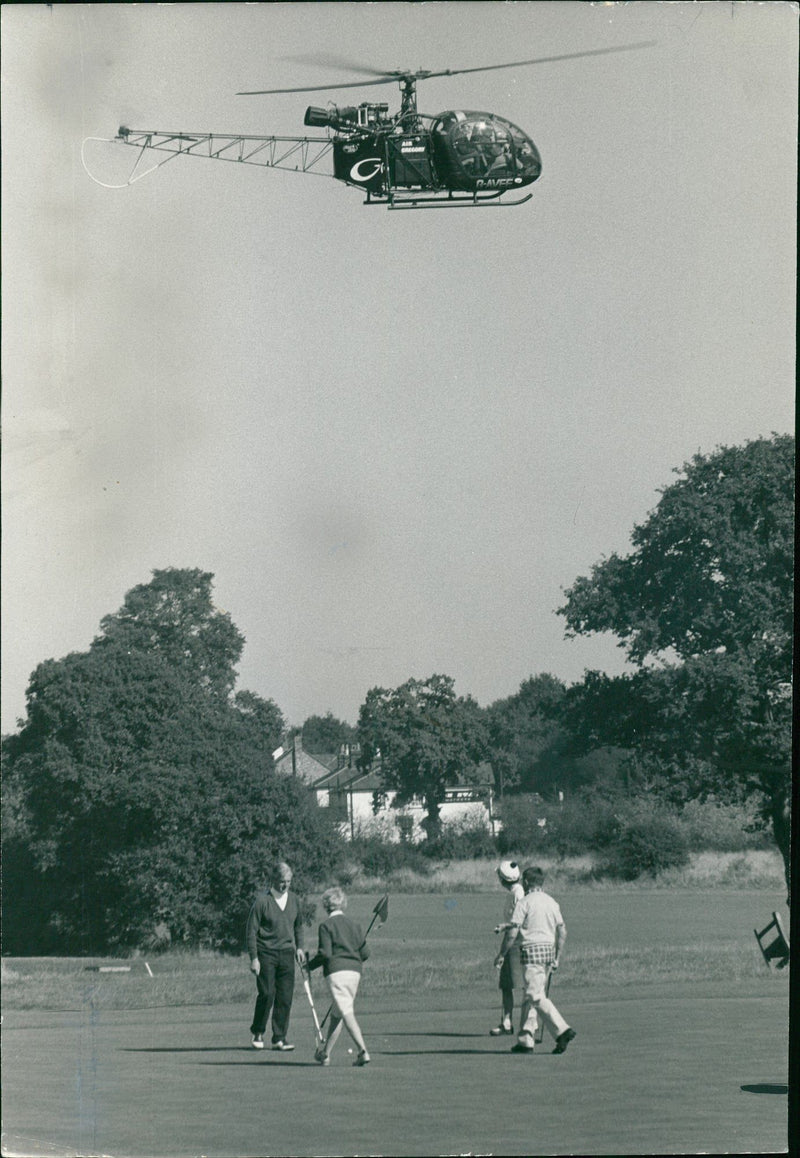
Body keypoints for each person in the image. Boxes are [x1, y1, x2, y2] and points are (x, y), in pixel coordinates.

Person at [494, 865, 576, 1055]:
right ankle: (525, 1039)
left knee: (534, 996)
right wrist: (557, 957)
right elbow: (562, 931)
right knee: (531, 996)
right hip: (548, 953)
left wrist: (501, 954)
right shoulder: (552, 902)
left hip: (532, 953)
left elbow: (513, 932)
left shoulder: (525, 902)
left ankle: (562, 1030)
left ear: (528, 882)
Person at [245, 860, 307, 1051]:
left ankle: (279, 1037)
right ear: (274, 879)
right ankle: (258, 1031)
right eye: (282, 881)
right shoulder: (262, 901)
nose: (285, 885)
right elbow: (251, 931)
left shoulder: (295, 900)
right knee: (267, 993)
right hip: (266, 953)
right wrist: (254, 958)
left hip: (287, 953)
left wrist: (300, 948)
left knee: (285, 996)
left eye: (288, 881)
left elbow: (298, 927)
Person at [307, 886, 370, 1067]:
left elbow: (325, 954)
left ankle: (362, 1051)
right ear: (343, 903)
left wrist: (308, 966)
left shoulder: (326, 926)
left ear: (326, 906)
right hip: (355, 972)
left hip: (337, 972)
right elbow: (365, 953)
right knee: (338, 1013)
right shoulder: (354, 925)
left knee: (346, 1011)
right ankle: (325, 1054)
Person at [491, 859, 524, 1035]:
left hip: (516, 942)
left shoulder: (516, 894)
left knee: (508, 985)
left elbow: (515, 927)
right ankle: (508, 1023)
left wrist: (501, 954)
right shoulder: (517, 891)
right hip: (518, 938)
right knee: (512, 985)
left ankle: (509, 1023)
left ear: (503, 879)